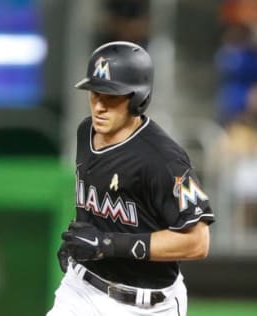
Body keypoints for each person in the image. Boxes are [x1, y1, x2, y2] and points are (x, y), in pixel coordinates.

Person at [47, 41, 215, 316]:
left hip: (149, 305)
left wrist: (107, 245)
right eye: (94, 94)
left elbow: (198, 241)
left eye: (111, 96)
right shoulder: (85, 132)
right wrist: (81, 245)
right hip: (82, 291)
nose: (99, 106)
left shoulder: (163, 159)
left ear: (138, 98)